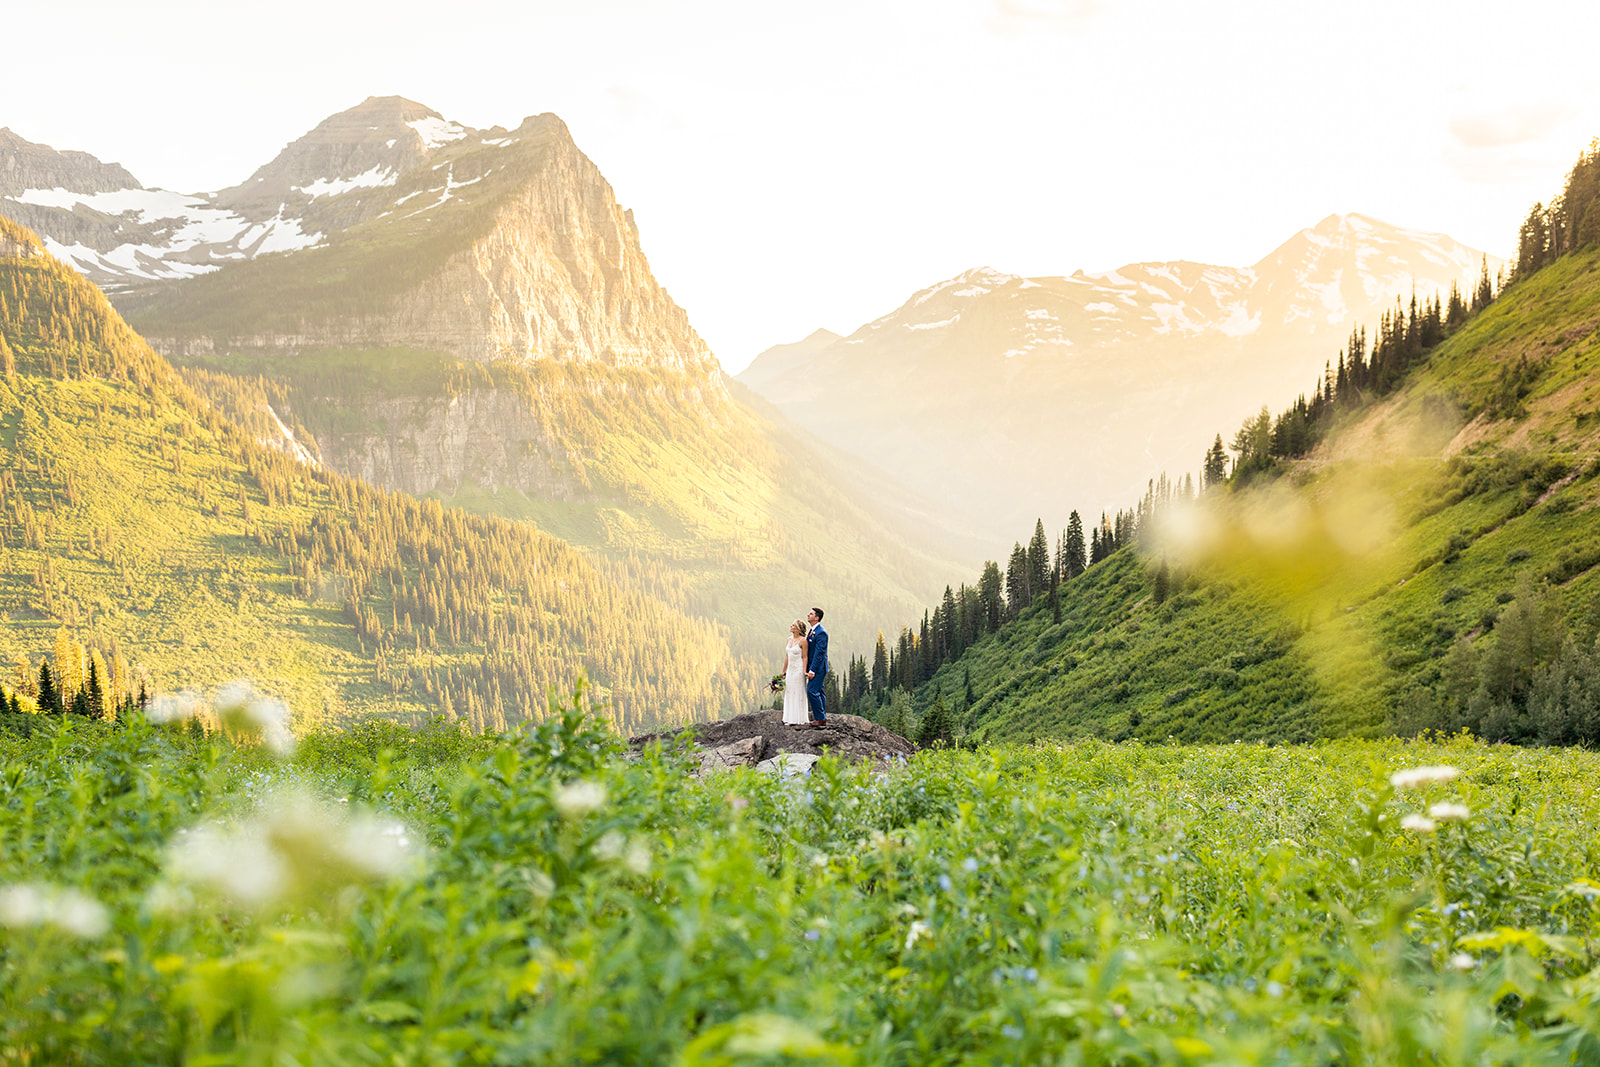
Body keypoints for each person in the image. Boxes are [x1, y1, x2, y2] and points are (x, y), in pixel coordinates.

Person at [780, 619, 810, 725]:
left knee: (798, 691)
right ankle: (788, 717)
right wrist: (784, 671)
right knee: (789, 691)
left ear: (797, 628)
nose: (791, 626)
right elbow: (787, 656)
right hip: (790, 670)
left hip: (798, 670)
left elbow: (805, 657)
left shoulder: (803, 641)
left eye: (793, 625)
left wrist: (804, 671)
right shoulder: (789, 639)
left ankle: (797, 719)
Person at [805, 606, 828, 726]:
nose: (808, 615)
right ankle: (822, 716)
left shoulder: (821, 632)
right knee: (819, 690)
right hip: (814, 667)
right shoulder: (813, 630)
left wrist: (812, 670)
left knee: (812, 691)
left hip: (818, 668)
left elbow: (820, 653)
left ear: (817, 618)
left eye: (811, 614)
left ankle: (820, 718)